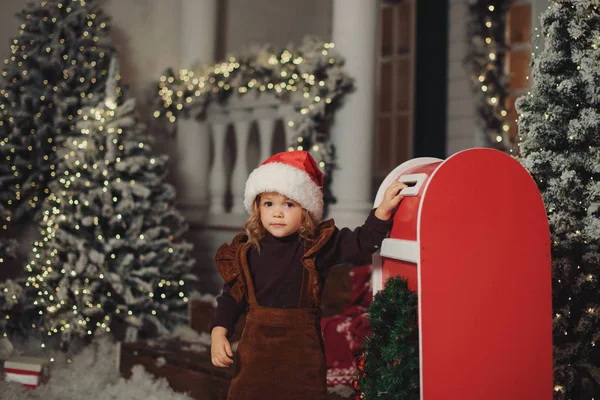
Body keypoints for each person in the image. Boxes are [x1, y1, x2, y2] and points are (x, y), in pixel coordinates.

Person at [210, 150, 406, 399]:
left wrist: (383, 212)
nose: (277, 212)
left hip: (302, 353)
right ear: (257, 208)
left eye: (288, 204)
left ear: (305, 210)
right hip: (256, 353)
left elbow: (361, 241)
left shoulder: (319, 247)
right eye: (269, 203)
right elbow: (230, 298)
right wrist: (219, 332)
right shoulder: (246, 254)